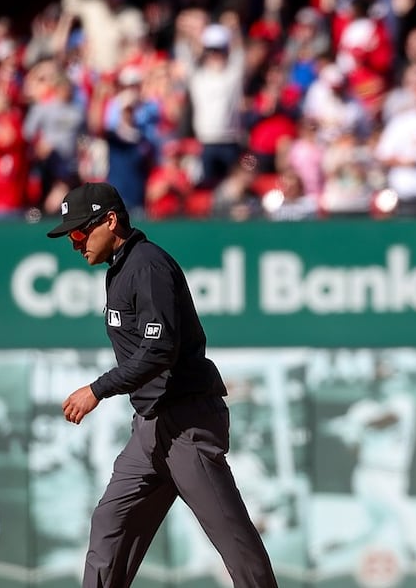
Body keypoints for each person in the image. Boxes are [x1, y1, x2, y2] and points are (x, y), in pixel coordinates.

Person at [47, 182, 278, 587]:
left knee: (230, 536)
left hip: (187, 422)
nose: (74, 242)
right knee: (110, 521)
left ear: (111, 220)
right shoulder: (119, 270)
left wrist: (97, 390)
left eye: (80, 231)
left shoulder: (147, 266)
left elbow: (159, 351)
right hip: (152, 426)